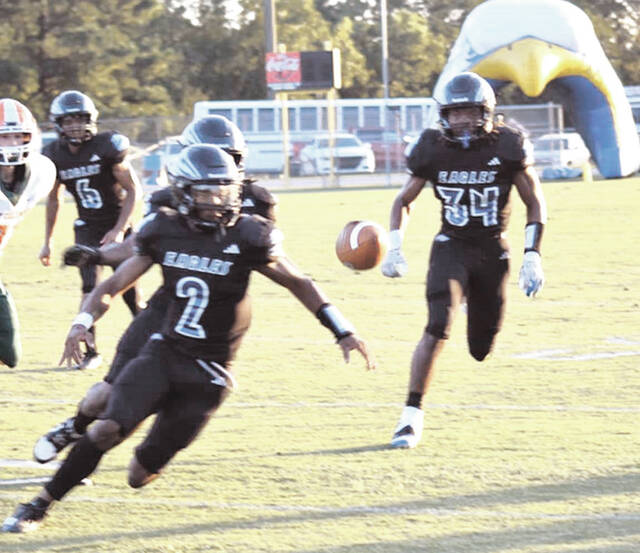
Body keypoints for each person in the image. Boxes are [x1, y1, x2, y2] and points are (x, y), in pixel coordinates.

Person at [2, 144, 375, 533]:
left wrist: (342, 330)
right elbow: (115, 283)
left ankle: (157, 429)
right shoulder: (164, 230)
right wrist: (82, 321)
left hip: (211, 373)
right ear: (182, 193)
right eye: (205, 193)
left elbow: (299, 283)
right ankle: (39, 504)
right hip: (164, 352)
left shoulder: (249, 235)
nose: (218, 202)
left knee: (137, 475)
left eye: (224, 191)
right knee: (106, 429)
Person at [32, 115, 277, 464]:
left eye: (227, 157)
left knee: (153, 407)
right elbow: (138, 249)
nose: (215, 169)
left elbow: (267, 263)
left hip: (216, 322)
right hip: (167, 308)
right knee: (104, 395)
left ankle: (105, 448)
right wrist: (99, 255)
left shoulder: (258, 203)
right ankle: (75, 427)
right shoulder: (167, 200)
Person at [381, 72, 547, 449]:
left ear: (486, 112)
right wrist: (395, 245)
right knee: (438, 325)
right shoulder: (431, 148)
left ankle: (475, 299)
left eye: (470, 112)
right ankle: (410, 416)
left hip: (493, 249)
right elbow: (403, 200)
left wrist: (532, 255)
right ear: (444, 115)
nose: (462, 121)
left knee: (480, 349)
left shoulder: (508, 145)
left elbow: (534, 201)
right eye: (455, 113)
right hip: (451, 246)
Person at [38, 90, 143, 370]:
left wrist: (120, 230)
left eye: (81, 119)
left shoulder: (107, 146)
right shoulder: (53, 155)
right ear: (58, 123)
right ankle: (91, 352)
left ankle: (148, 344)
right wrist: (47, 241)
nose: (75, 125)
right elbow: (54, 199)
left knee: (131, 293)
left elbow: (134, 190)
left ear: (92, 120)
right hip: (87, 228)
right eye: (69, 120)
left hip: (117, 223)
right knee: (89, 289)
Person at [0, 98, 56, 367]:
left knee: (10, 355)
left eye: (17, 136)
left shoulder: (41, 173)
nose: (12, 144)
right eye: (4, 137)